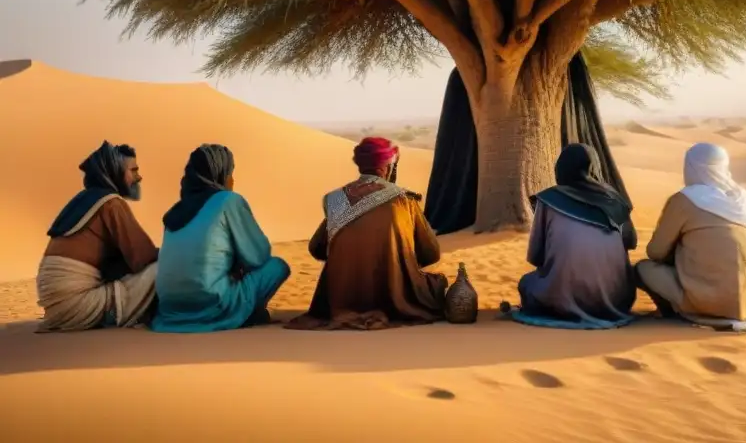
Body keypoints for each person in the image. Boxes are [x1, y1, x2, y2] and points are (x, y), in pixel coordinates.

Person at [287, 137, 448, 330]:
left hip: (340, 299)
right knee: (438, 283)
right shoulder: (404, 199)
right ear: (388, 167)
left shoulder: (334, 199)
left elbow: (316, 248)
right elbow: (431, 253)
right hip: (395, 296)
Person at [635, 142, 746, 322]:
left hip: (708, 299)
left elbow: (656, 252)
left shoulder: (685, 199)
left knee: (643, 269)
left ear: (690, 167)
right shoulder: (743, 198)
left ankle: (674, 313)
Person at [151, 144, 290, 333]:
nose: (232, 179)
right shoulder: (228, 200)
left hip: (170, 310)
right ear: (219, 174)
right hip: (212, 304)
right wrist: (237, 263)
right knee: (277, 267)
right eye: (229, 172)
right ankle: (247, 314)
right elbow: (259, 256)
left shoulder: (175, 211)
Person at [36, 142, 159, 332]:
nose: (138, 177)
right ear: (115, 172)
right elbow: (142, 258)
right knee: (163, 268)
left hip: (55, 309)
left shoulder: (84, 200)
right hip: (77, 304)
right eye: (133, 170)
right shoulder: (111, 203)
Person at [515, 143, 637, 326]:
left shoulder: (549, 200)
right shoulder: (615, 199)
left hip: (562, 298)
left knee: (526, 283)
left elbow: (536, 256)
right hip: (615, 300)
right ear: (594, 167)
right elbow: (631, 241)